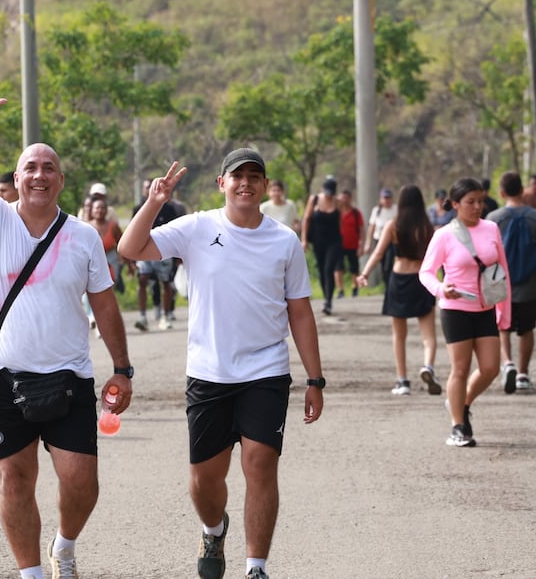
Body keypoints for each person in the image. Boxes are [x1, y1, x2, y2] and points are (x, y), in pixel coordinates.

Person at [0, 91, 132, 579]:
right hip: (3, 375)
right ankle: (30, 573)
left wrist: (122, 368)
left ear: (61, 181)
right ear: (16, 179)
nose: (39, 175)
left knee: (81, 480)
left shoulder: (83, 236)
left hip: (68, 375)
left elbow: (104, 304)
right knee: (14, 478)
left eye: (49, 168)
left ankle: (64, 546)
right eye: (30, 167)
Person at [119, 151, 323, 579]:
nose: (245, 183)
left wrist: (315, 378)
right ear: (222, 183)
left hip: (266, 370)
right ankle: (214, 528)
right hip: (209, 373)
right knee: (204, 481)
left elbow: (300, 312)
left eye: (254, 176)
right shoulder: (197, 227)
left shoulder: (284, 240)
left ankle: (256, 567)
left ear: (264, 185)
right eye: (237, 176)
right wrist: (155, 202)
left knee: (261, 463)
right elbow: (130, 248)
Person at [418, 177, 512, 448]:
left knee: (491, 368)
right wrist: (441, 288)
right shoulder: (444, 235)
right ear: (455, 204)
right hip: (455, 309)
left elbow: (502, 272)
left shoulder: (491, 228)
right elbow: (426, 272)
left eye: (480, 201)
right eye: (471, 202)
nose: (477, 207)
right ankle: (458, 426)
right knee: (460, 369)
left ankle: (461, 402)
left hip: (485, 308)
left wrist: (504, 312)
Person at [356, 185, 440, 397]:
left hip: (400, 280)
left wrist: (364, 274)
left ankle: (403, 381)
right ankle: (428, 367)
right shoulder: (428, 227)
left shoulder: (393, 225)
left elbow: (378, 253)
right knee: (429, 335)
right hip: (422, 280)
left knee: (399, 336)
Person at [490, 171, 536, 393]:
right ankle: (523, 374)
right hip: (530, 284)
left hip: (501, 284)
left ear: (502, 193)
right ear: (522, 190)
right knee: (526, 330)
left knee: (503, 328)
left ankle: (507, 363)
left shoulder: (493, 219)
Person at [133, 178, 186, 330]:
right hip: (144, 251)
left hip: (164, 252)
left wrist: (178, 256)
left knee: (165, 282)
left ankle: (165, 315)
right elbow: (132, 232)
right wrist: (131, 258)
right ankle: (142, 316)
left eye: (150, 186)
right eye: (146, 187)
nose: (148, 189)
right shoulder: (138, 209)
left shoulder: (168, 209)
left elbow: (176, 232)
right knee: (142, 280)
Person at [301, 176, 342, 315]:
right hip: (318, 241)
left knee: (329, 269)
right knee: (322, 270)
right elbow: (306, 219)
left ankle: (328, 301)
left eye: (331, 192)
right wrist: (304, 239)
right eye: (327, 192)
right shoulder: (314, 199)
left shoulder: (338, 202)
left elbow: (341, 222)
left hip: (334, 241)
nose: (329, 195)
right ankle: (326, 296)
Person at [364, 187, 398, 289]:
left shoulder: (396, 209)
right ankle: (387, 286)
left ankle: (391, 285)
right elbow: (372, 227)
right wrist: (368, 243)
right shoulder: (376, 211)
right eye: (385, 198)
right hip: (379, 239)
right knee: (383, 265)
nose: (387, 200)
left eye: (388, 198)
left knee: (388, 264)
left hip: (391, 241)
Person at [334, 189, 365, 299]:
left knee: (354, 268)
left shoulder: (356, 213)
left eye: (346, 198)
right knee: (338, 267)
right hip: (338, 245)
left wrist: (361, 245)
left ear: (350, 199)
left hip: (353, 245)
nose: (344, 200)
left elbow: (361, 230)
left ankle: (355, 288)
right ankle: (340, 290)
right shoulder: (336, 212)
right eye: (342, 198)